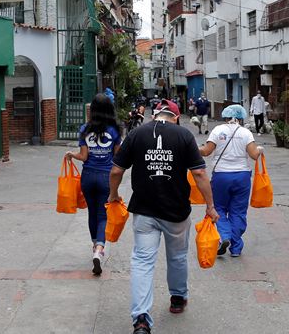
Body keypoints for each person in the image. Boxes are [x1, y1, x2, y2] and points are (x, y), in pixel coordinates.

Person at [109, 99, 219, 334]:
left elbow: (117, 169)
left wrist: (113, 195)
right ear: (176, 117)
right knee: (177, 256)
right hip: (176, 211)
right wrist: (210, 206)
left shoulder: (138, 134)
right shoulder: (184, 135)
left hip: (144, 211)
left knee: (142, 262)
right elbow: (199, 172)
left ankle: (140, 319)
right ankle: (177, 298)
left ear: (154, 116)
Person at [65, 94, 122, 276]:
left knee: (92, 213)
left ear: (93, 110)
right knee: (103, 214)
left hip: (88, 176)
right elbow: (118, 158)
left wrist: (71, 154)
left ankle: (94, 245)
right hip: (106, 176)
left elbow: (83, 157)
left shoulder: (85, 129)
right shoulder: (114, 130)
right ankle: (99, 248)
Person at [198, 104, 264, 258]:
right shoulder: (245, 132)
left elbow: (206, 152)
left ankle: (225, 235)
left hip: (221, 176)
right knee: (238, 211)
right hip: (242, 176)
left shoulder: (217, 130)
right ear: (240, 118)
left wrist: (192, 147)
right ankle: (236, 248)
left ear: (225, 117)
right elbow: (254, 155)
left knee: (219, 207)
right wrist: (260, 149)